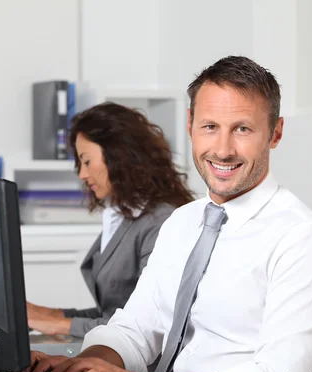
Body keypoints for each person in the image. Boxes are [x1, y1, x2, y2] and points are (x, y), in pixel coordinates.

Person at [16, 56, 312, 372]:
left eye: (242, 129)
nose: (222, 149)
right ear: (190, 125)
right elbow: (136, 329)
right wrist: (78, 370)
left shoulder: (301, 239)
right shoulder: (183, 222)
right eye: (210, 126)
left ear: (275, 133)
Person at [26, 102, 195, 338]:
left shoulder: (161, 221)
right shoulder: (122, 216)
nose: (82, 174)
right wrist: (44, 314)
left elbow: (150, 323)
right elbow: (116, 312)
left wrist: (57, 324)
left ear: (118, 156)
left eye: (86, 161)